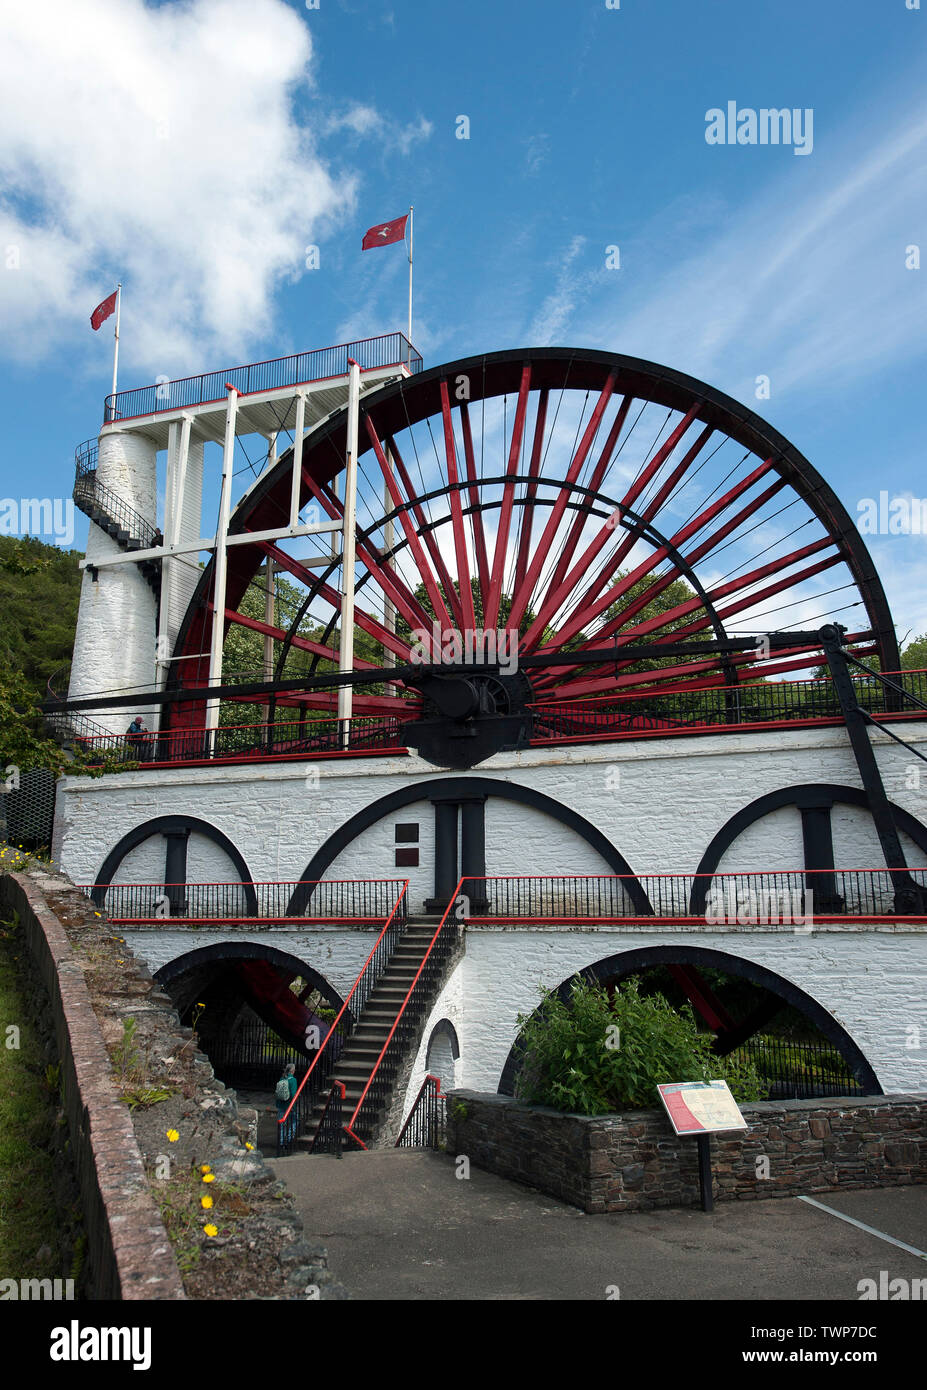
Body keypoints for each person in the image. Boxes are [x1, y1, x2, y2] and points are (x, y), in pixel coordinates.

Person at [275, 1062, 298, 1148]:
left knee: (282, 1123)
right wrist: (293, 1106)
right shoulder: (293, 1080)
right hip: (289, 1106)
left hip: (281, 1105)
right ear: (292, 1070)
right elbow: (293, 1094)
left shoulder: (282, 1078)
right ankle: (289, 1139)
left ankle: (281, 1142)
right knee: (294, 1121)